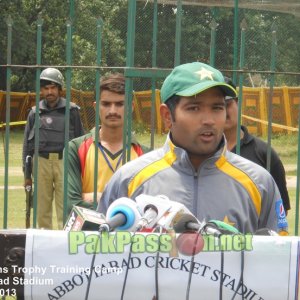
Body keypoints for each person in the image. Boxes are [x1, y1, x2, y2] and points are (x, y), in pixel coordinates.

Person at [97, 62, 288, 235]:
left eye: (217, 107)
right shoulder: (129, 180)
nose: (209, 120)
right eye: (194, 108)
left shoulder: (259, 183)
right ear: (167, 116)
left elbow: (278, 260)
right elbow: (98, 256)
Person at [67, 73, 146, 214]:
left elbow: (147, 209)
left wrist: (94, 197)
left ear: (131, 107)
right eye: (106, 104)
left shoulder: (145, 155)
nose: (113, 111)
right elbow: (71, 206)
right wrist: (126, 205)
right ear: (96, 107)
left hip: (128, 236)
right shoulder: (75, 148)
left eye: (120, 104)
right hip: (88, 235)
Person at [22, 68, 85, 229]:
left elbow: (81, 142)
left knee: (65, 207)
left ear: (59, 89)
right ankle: (44, 243)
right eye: (46, 88)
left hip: (65, 162)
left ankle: (63, 242)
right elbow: (27, 147)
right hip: (41, 162)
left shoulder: (71, 111)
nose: (49, 91)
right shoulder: (35, 113)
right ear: (41, 90)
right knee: (42, 208)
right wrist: (27, 174)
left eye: (53, 87)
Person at [224, 77, 290, 215]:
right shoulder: (198, 153)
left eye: (227, 104)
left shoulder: (264, 153)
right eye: (215, 107)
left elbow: (279, 211)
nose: (222, 111)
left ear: (238, 103)